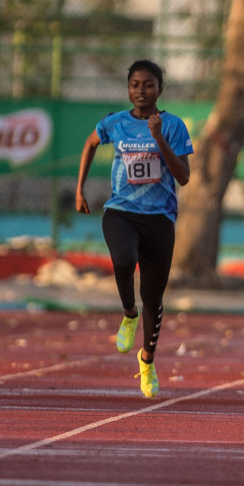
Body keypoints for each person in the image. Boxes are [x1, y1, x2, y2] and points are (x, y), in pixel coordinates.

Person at [75, 60, 192, 398]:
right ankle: (128, 314)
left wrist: (158, 137)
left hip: (160, 218)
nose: (141, 91)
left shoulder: (172, 125)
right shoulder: (115, 123)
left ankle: (147, 360)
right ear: (128, 88)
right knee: (124, 261)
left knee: (154, 299)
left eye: (149, 85)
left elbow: (184, 176)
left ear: (160, 89)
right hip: (121, 210)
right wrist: (80, 189)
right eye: (135, 85)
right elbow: (89, 144)